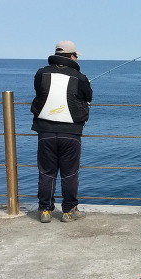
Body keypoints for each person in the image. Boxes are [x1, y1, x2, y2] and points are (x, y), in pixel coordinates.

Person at [31, 40, 93, 223]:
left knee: (46, 172)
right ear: (72, 56)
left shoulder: (41, 73)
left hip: (45, 131)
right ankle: (69, 210)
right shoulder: (80, 77)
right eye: (76, 56)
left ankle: (45, 210)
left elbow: (39, 91)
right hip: (71, 132)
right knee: (70, 173)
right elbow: (88, 96)